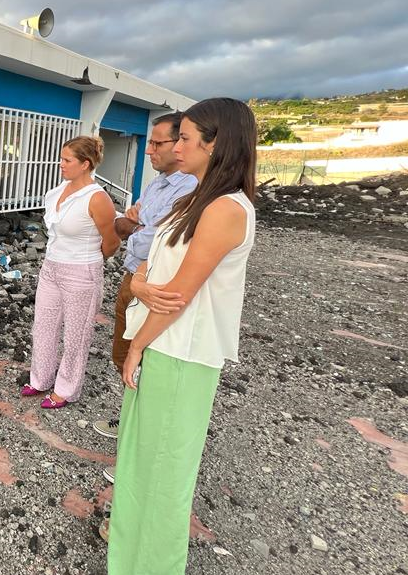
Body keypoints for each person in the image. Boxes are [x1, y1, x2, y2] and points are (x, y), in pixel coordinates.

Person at [107, 98, 257, 574]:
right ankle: (125, 560)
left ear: (216, 144)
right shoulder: (194, 200)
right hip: (162, 343)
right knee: (136, 461)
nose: (177, 146)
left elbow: (175, 295)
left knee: (164, 475)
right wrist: (142, 286)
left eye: (187, 137)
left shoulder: (227, 209)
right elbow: (148, 265)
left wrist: (136, 344)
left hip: (180, 351)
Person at [92, 113, 198, 485]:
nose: (149, 150)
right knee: (124, 355)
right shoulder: (156, 185)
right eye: (149, 143)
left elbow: (160, 239)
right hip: (132, 275)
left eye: (158, 143)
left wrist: (137, 225)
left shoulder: (192, 189)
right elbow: (124, 226)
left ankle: (138, 453)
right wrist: (136, 225)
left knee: (146, 362)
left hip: (157, 284)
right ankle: (130, 422)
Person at [20, 136, 119, 408]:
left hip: (81, 272)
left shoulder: (97, 198)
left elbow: (111, 242)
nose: (60, 164)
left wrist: (88, 262)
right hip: (51, 267)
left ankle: (66, 389)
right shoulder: (55, 192)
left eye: (67, 160)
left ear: (85, 164)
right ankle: (40, 379)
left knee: (76, 334)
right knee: (43, 326)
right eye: (61, 158)